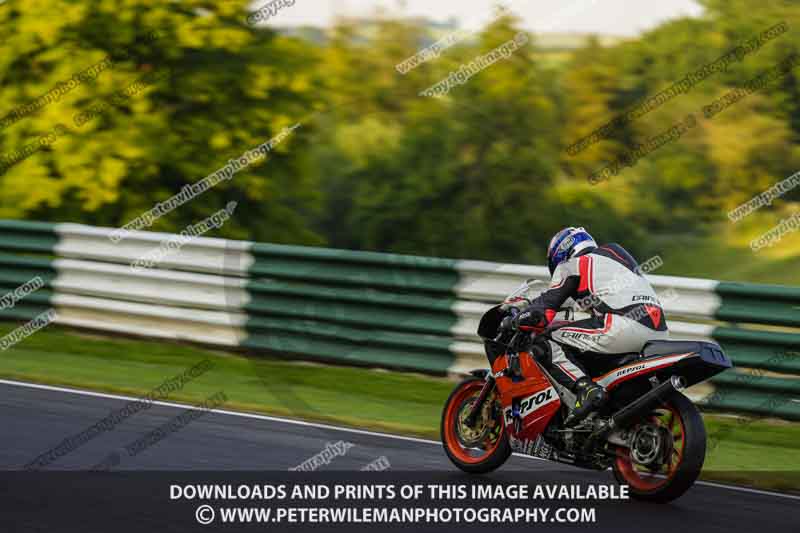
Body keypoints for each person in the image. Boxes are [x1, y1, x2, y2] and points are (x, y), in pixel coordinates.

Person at [508, 227, 669, 426]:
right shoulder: (617, 256)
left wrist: (518, 319)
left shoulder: (572, 265)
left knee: (546, 338)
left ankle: (586, 390)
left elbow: (546, 309)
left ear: (561, 253)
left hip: (623, 327)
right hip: (659, 332)